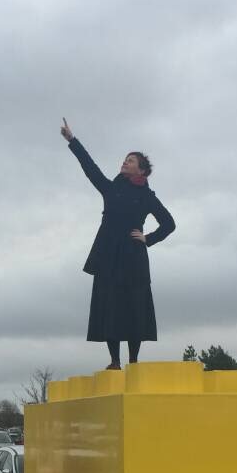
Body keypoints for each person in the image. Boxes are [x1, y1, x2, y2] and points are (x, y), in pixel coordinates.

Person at [60, 118, 175, 369]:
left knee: (134, 305)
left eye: (130, 160)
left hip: (134, 256)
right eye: (125, 158)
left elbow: (169, 224)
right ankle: (114, 361)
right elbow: (89, 167)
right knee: (109, 304)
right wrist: (72, 140)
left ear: (142, 170)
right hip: (108, 255)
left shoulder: (147, 197)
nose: (125, 161)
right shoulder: (112, 188)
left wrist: (148, 238)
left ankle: (134, 360)